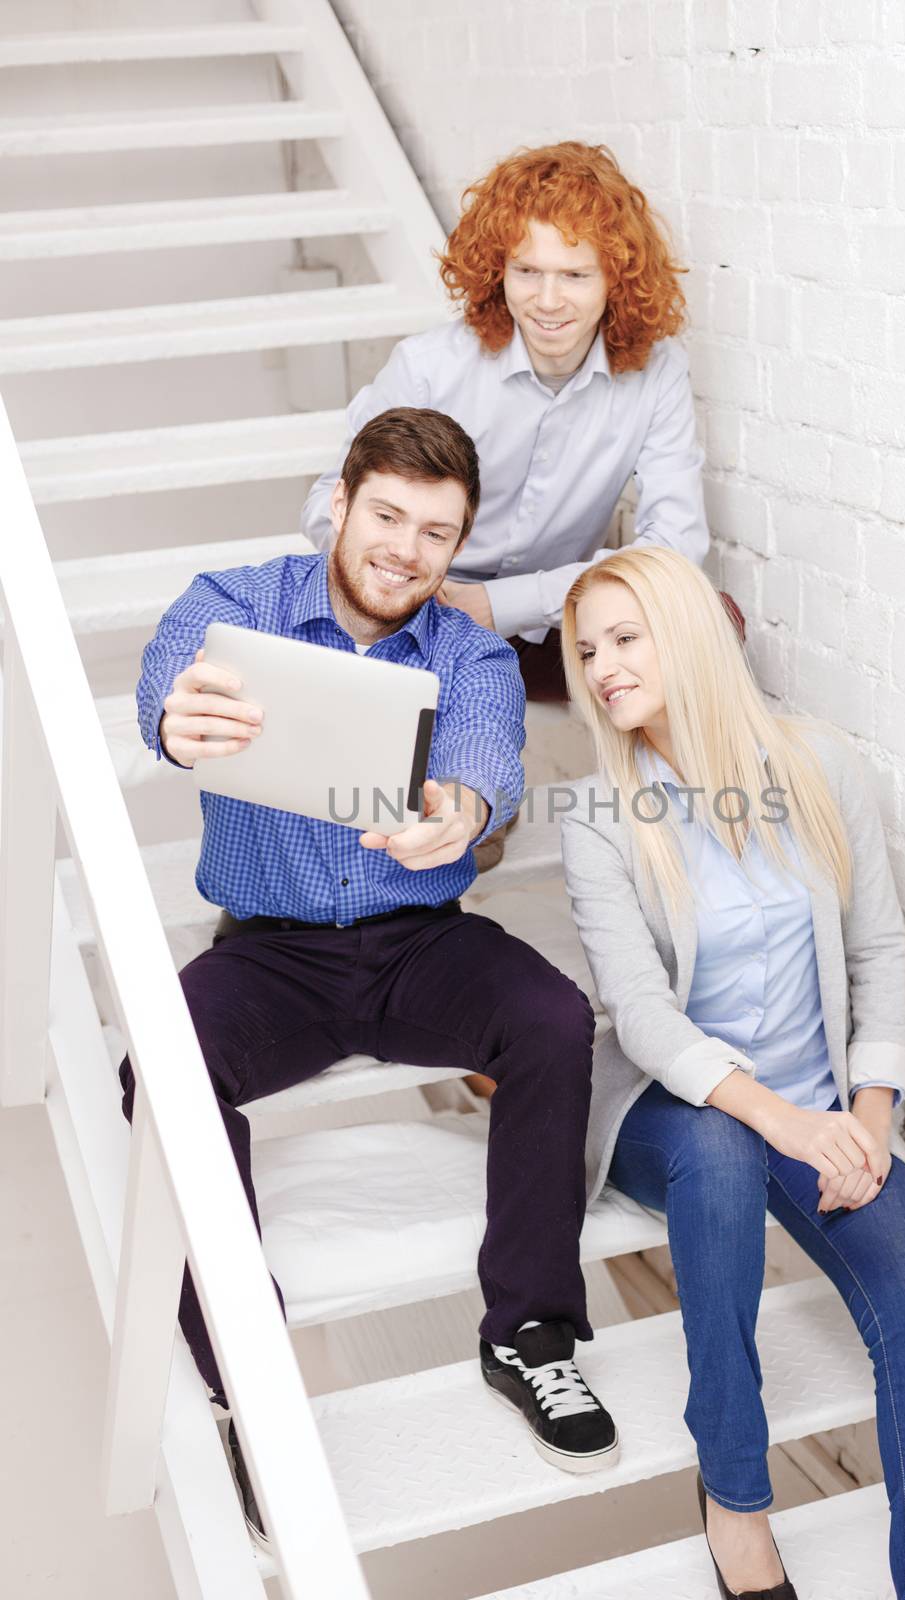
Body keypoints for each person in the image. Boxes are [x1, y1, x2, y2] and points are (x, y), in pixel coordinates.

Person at [120, 407, 619, 1541]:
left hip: (417, 943)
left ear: (457, 547)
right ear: (340, 504)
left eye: (435, 533)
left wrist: (464, 811)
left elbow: (486, 753)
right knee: (161, 1066)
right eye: (387, 515)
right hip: (271, 951)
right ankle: (249, 1374)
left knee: (552, 1018)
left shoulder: (470, 652)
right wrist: (172, 718)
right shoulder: (232, 605)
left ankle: (530, 1333)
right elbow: (166, 679)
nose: (405, 548)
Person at [558, 548, 905, 1600]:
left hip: (821, 1106)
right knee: (716, 1151)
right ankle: (735, 1498)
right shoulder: (596, 815)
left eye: (623, 637)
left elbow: (877, 955)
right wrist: (784, 1125)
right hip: (682, 1107)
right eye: (582, 652)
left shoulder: (820, 765)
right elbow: (643, 1017)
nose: (601, 668)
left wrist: (867, 1119)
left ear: (686, 630)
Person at [300, 141, 711, 703]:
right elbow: (329, 502)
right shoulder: (429, 367)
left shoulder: (657, 374)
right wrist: (418, 579)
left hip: (560, 627)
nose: (548, 301)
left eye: (574, 275)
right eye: (527, 270)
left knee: (711, 624)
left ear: (615, 279)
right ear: (499, 270)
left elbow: (675, 549)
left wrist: (504, 603)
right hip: (424, 614)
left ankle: (658, 790)